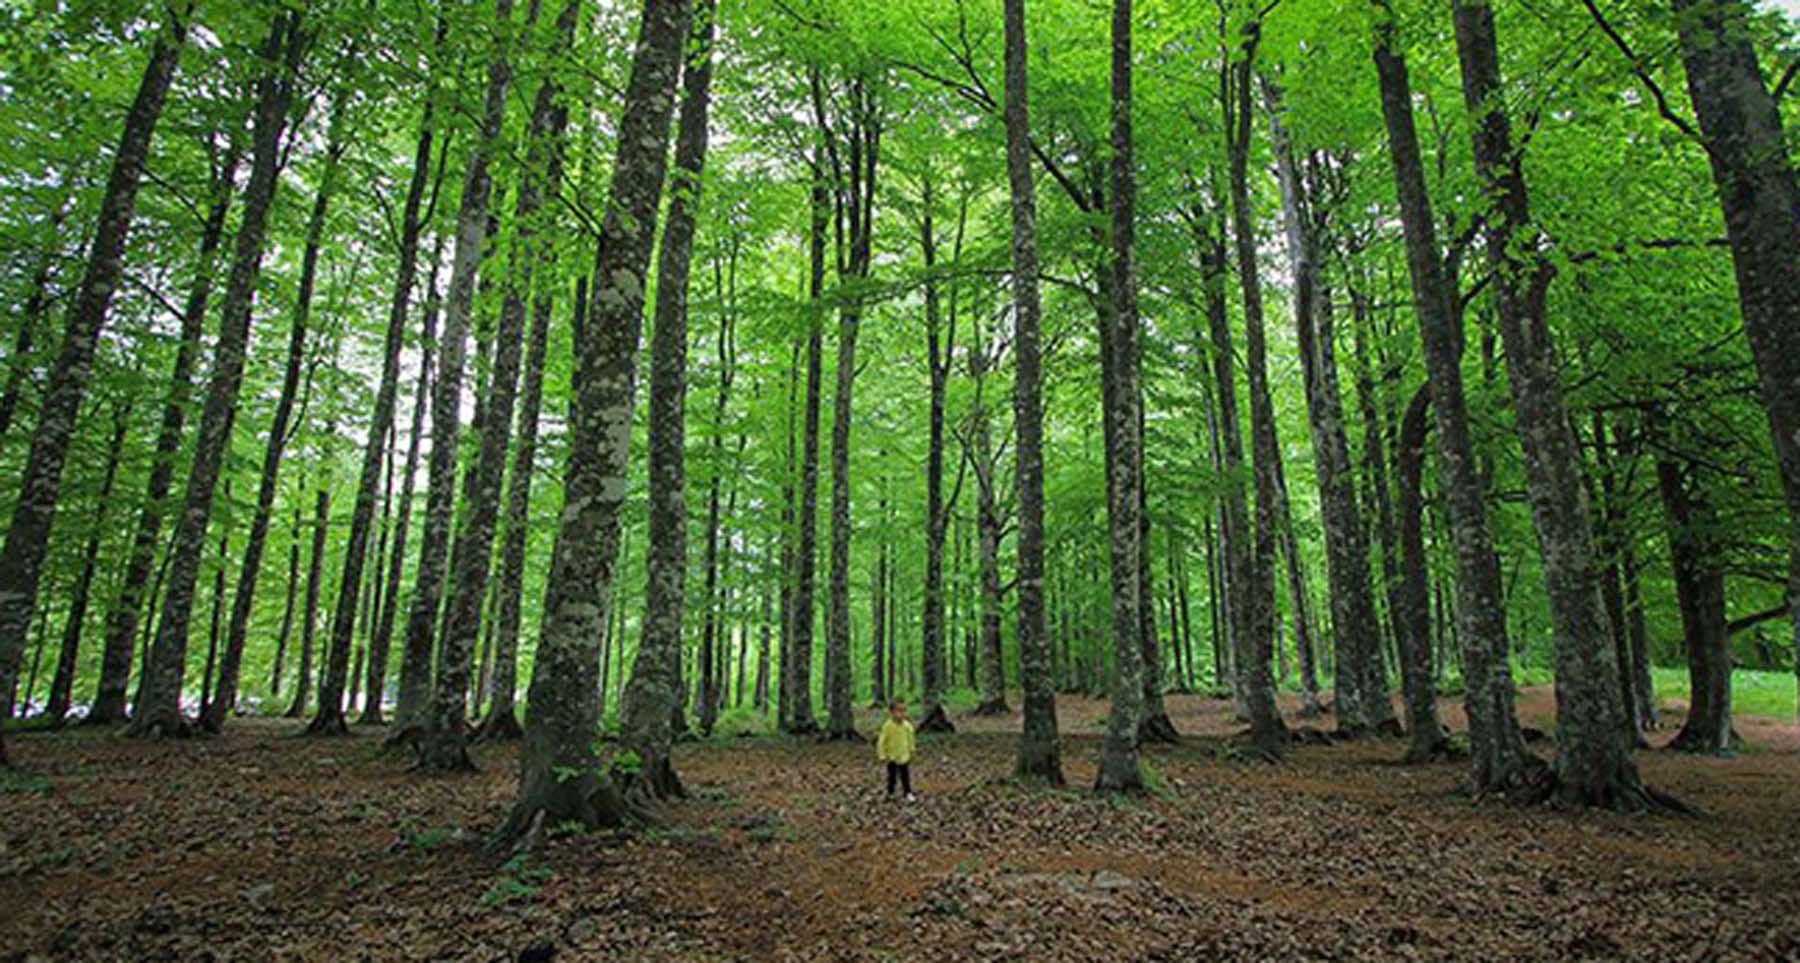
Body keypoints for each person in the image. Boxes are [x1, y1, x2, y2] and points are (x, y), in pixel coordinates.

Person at [876, 698, 916, 801]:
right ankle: (890, 793)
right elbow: (882, 741)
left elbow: (910, 738)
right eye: (899, 711)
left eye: (903, 710)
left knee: (905, 776)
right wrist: (882, 754)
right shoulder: (888, 726)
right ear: (892, 712)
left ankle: (907, 792)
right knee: (892, 777)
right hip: (892, 756)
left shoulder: (907, 726)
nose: (902, 714)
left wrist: (911, 749)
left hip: (904, 756)